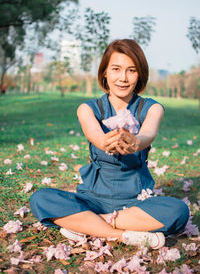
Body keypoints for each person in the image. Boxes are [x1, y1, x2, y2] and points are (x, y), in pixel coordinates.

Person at [30, 39, 189, 249]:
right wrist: (104, 141)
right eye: (116, 69)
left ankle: (89, 224)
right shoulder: (88, 109)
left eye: (131, 71)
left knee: (179, 211)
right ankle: (124, 235)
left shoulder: (152, 108)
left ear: (139, 74)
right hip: (92, 199)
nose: (123, 78)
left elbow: (148, 133)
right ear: (105, 72)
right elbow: (94, 133)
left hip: (136, 203)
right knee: (40, 198)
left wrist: (135, 143)